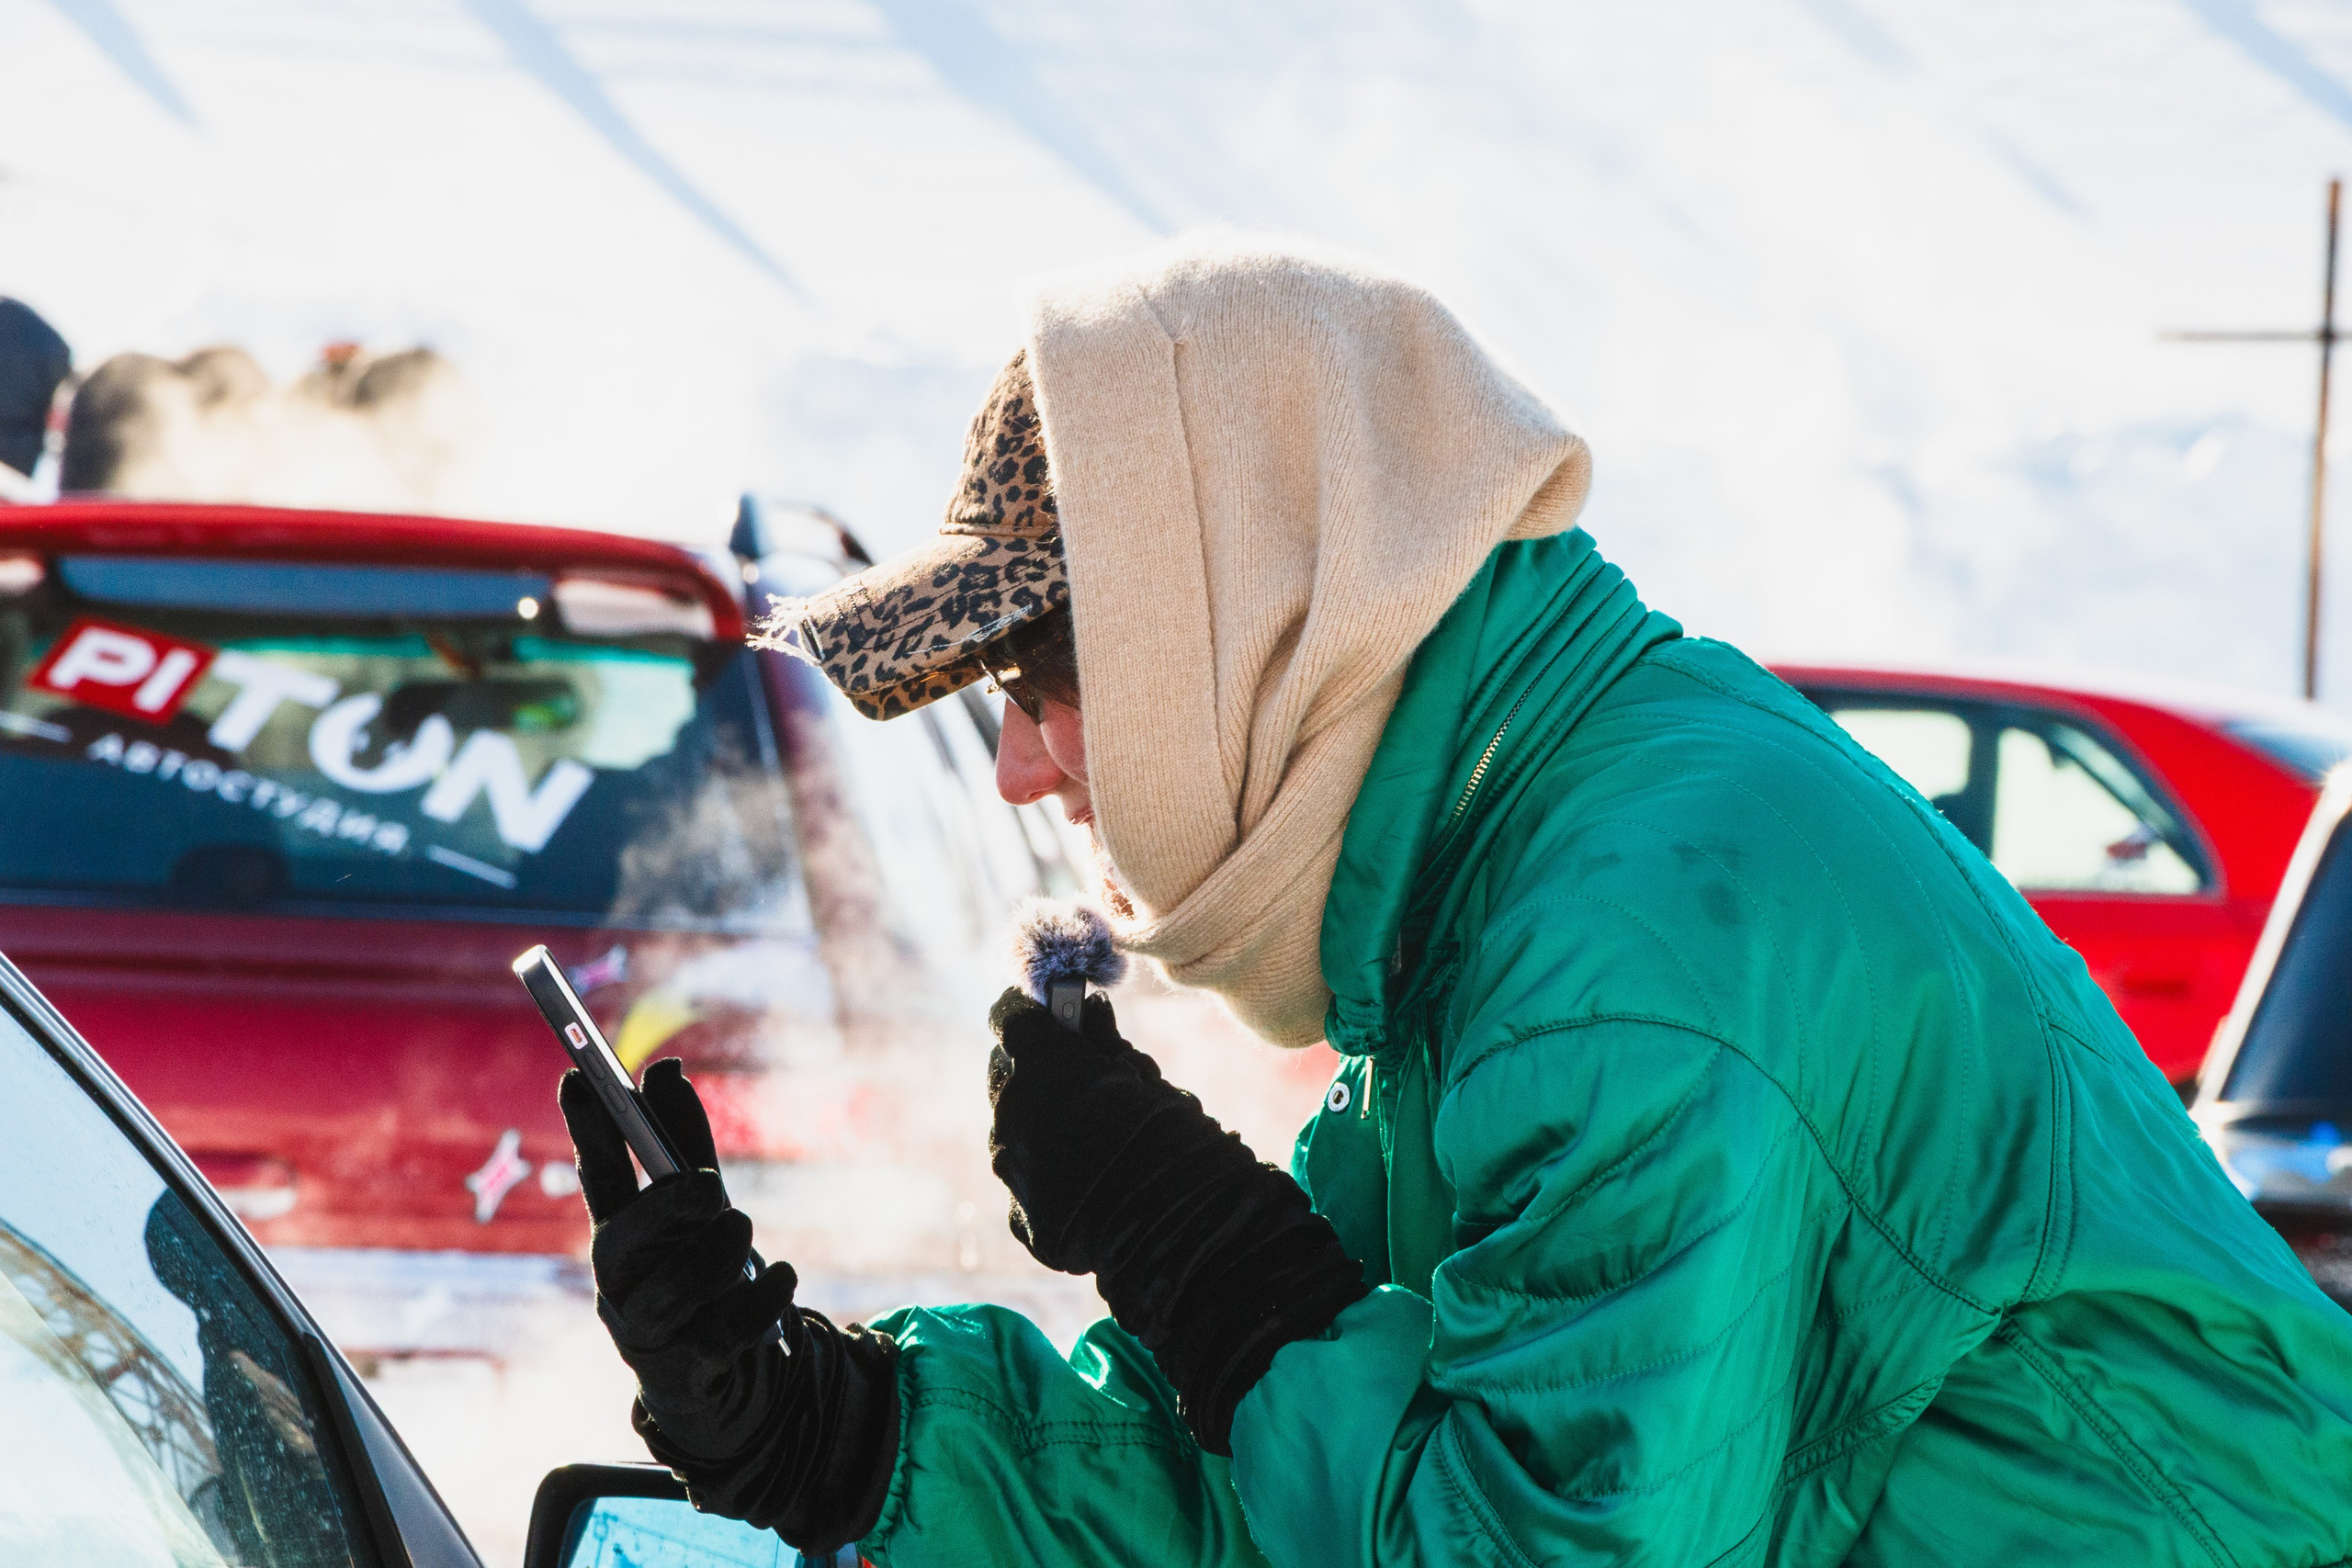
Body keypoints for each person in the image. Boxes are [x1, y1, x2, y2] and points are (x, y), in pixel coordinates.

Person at [559, 235, 2352, 1564]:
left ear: (1236, 630)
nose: (1020, 764)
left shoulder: (1626, 954)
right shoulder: (1494, 889)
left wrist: (1203, 1248)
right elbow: (1314, 1479)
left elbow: (1493, 1539)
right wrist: (841, 1427)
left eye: (1032, 686)